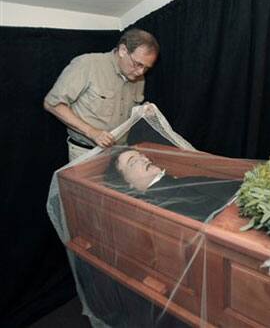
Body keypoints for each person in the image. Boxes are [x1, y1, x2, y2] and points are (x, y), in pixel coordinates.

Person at [44, 28, 159, 161]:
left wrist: (142, 110)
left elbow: (129, 113)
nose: (140, 72)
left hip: (119, 152)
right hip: (85, 152)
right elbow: (52, 104)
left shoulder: (139, 79)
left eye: (146, 68)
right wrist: (92, 132)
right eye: (138, 64)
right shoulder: (88, 64)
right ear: (123, 51)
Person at [106, 149, 242, 222]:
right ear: (128, 184)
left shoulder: (174, 184)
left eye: (142, 156)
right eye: (133, 162)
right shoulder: (161, 202)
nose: (144, 159)